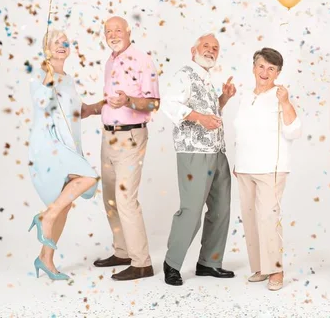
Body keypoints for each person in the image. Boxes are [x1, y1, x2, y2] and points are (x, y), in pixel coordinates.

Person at [161, 33, 237, 286]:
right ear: (193, 50)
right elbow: (170, 105)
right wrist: (201, 118)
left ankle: (209, 262)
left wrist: (223, 100)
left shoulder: (206, 79)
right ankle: (172, 263)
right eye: (206, 46)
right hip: (193, 152)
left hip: (217, 151)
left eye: (215, 48)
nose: (211, 50)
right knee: (192, 209)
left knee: (221, 209)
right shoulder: (183, 74)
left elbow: (206, 111)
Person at [88, 16, 160, 281]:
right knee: (110, 199)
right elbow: (110, 102)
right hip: (108, 139)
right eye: (108, 30)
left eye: (118, 29)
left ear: (129, 31)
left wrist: (129, 100)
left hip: (130, 139)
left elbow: (153, 104)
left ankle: (142, 263)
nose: (113, 33)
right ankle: (123, 252)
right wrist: (90, 109)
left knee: (125, 200)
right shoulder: (110, 61)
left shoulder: (143, 60)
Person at [28, 30, 100, 280]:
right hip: (48, 144)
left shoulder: (67, 79)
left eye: (65, 42)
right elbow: (40, 102)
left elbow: (76, 111)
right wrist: (48, 74)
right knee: (89, 178)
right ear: (46, 47)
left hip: (66, 146)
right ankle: (45, 217)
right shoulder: (39, 74)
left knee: (65, 205)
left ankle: (45, 259)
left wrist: (101, 106)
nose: (62, 45)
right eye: (56, 42)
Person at [233, 48, 302, 291]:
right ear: (254, 68)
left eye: (271, 68)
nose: (265, 72)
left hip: (270, 168)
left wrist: (285, 102)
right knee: (251, 219)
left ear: (278, 73)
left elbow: (294, 131)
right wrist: (237, 162)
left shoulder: (279, 96)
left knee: (268, 219)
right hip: (244, 168)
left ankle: (276, 271)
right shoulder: (244, 95)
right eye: (261, 66)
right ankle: (261, 268)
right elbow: (241, 130)